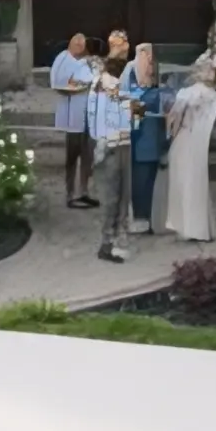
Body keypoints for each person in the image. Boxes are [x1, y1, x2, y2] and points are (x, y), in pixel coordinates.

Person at [161, 55, 216, 244]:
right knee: (195, 182)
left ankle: (190, 227)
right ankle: (197, 227)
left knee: (186, 182)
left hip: (186, 138)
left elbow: (174, 116)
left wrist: (169, 133)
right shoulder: (214, 95)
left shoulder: (190, 93)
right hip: (196, 140)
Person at [89, 50, 134, 264]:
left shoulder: (122, 91)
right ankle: (106, 244)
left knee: (121, 198)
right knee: (111, 199)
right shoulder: (102, 89)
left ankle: (116, 240)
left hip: (122, 146)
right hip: (109, 149)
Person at [47, 32, 96, 209]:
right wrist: (77, 86)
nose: (79, 47)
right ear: (70, 44)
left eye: (82, 45)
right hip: (72, 116)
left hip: (88, 115)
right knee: (73, 156)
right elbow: (57, 83)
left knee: (88, 156)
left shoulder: (86, 62)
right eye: (76, 44)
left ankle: (84, 192)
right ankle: (70, 194)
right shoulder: (63, 59)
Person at [125, 43, 167, 235]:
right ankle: (140, 218)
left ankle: (148, 218)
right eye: (146, 62)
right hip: (139, 145)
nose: (150, 67)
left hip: (153, 145)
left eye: (151, 63)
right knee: (139, 183)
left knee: (150, 183)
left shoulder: (157, 92)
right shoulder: (135, 91)